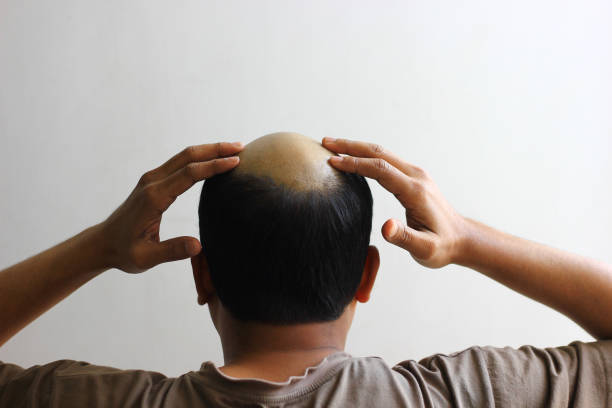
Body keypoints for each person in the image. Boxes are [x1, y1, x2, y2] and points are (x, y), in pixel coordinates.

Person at [0, 132, 610, 407]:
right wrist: (466, 239)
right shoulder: (460, 398)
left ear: (200, 275)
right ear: (366, 276)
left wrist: (99, 247)